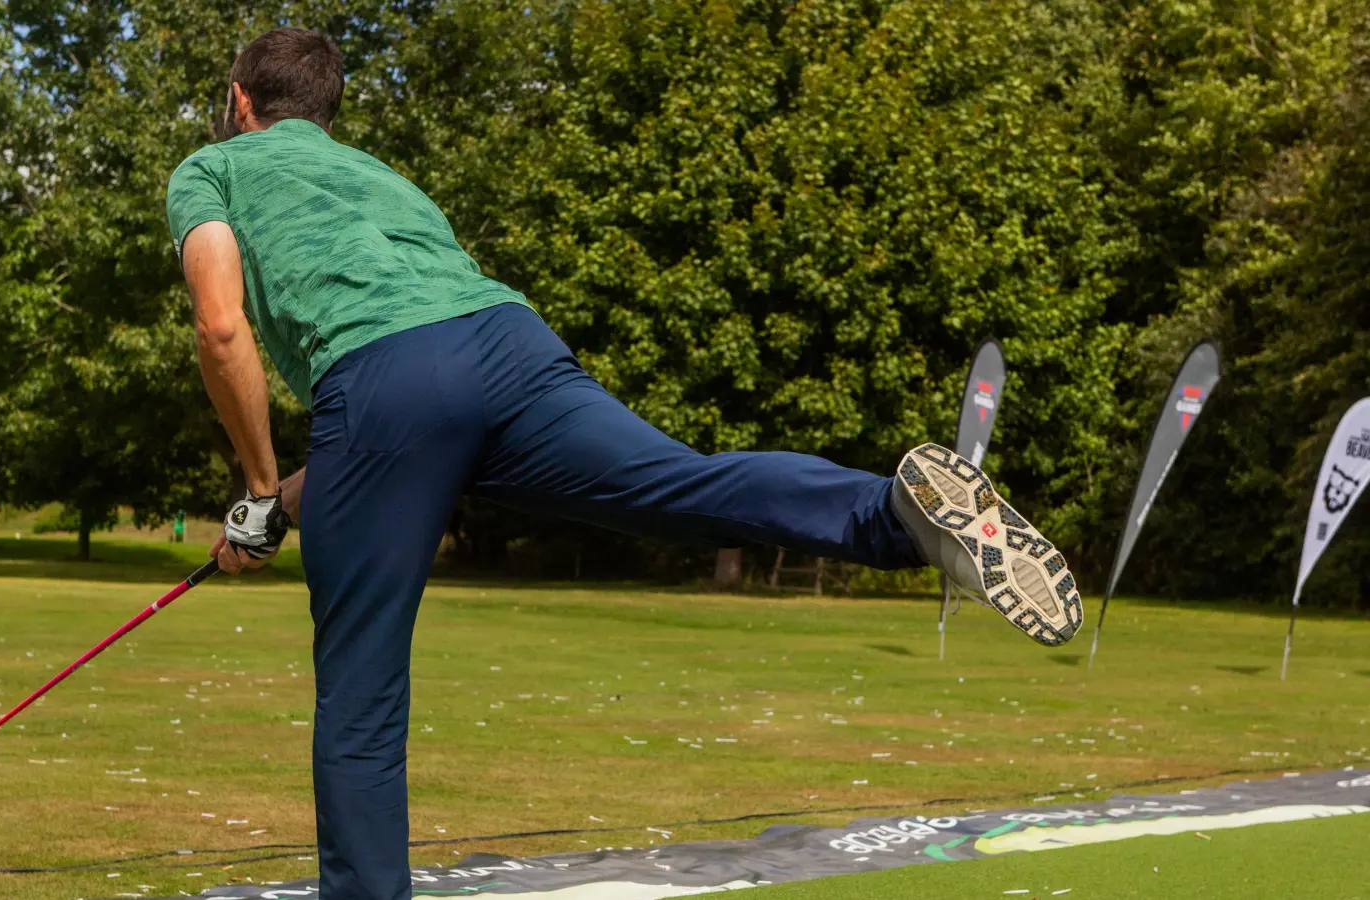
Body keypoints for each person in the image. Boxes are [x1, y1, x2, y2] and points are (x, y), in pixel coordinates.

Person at [169, 26, 1082, 900]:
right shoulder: (386, 182)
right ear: (328, 115)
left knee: (361, 691)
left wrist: (254, 488)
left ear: (238, 99)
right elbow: (410, 405)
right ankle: (892, 512)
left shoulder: (211, 168)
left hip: (384, 380)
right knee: (686, 485)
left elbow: (223, 326)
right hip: (507, 344)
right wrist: (281, 510)